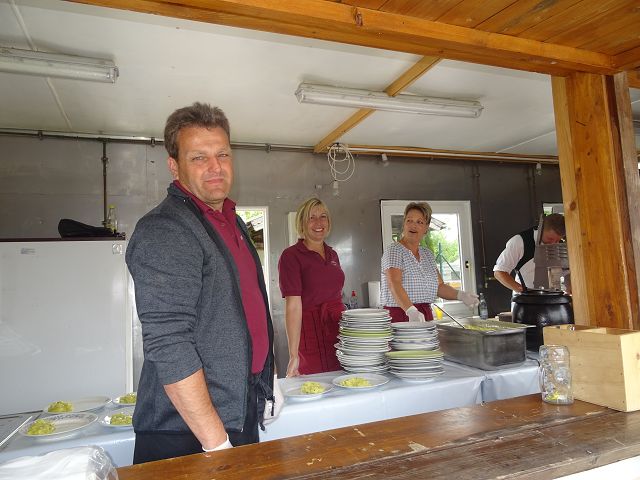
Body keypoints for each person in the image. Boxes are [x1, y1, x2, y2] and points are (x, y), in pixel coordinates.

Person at [126, 102, 281, 464]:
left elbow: (249, 312)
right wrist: (216, 444)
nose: (215, 167)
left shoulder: (232, 222)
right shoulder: (166, 229)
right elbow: (169, 342)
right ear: (174, 166)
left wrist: (267, 378)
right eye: (199, 157)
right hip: (188, 432)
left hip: (238, 409)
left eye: (223, 154)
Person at [278, 198, 345, 376]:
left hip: (339, 331)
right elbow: (293, 306)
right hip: (310, 334)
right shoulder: (291, 256)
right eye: (311, 218)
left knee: (344, 381)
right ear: (302, 223)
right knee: (315, 384)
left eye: (323, 216)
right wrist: (293, 355)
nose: (318, 222)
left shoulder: (333, 254)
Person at [380, 202, 479, 322]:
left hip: (424, 314)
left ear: (426, 228)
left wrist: (461, 295)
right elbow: (394, 283)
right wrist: (410, 310)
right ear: (404, 224)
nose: (413, 225)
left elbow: (439, 287)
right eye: (409, 220)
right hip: (401, 314)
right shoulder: (394, 250)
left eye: (419, 222)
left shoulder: (427, 254)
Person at [493, 213, 566, 294]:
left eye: (557, 240)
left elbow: (566, 271)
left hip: (555, 297)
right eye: (550, 239)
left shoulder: (561, 245)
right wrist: (523, 291)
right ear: (541, 229)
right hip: (526, 299)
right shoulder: (520, 241)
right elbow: (499, 272)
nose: (553, 243)